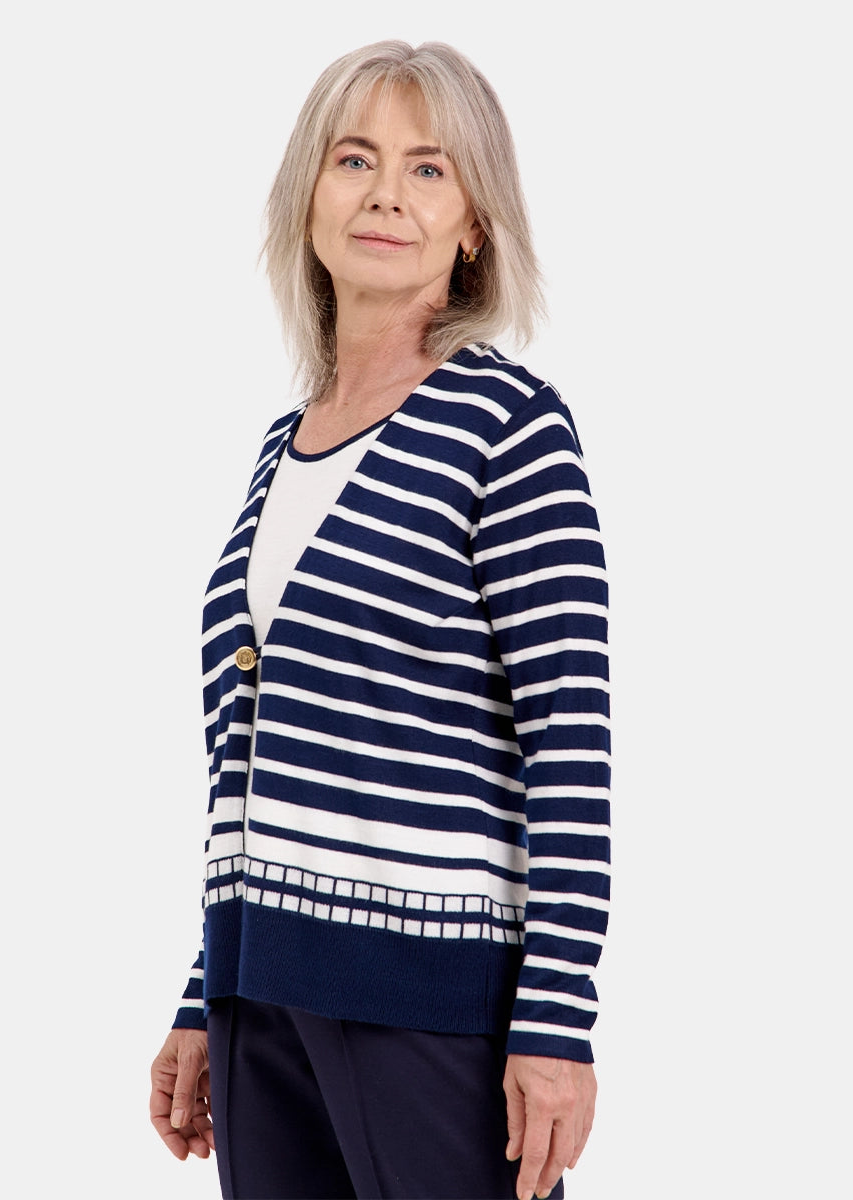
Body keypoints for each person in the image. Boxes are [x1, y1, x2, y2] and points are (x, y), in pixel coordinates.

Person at [150, 40, 611, 1200]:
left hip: (430, 1000)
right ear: (309, 195)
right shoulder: (283, 446)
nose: (386, 195)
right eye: (355, 159)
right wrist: (206, 991)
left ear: (475, 227)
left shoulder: (508, 429)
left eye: (429, 169)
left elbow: (568, 739)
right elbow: (249, 760)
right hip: (262, 997)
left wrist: (557, 1019)